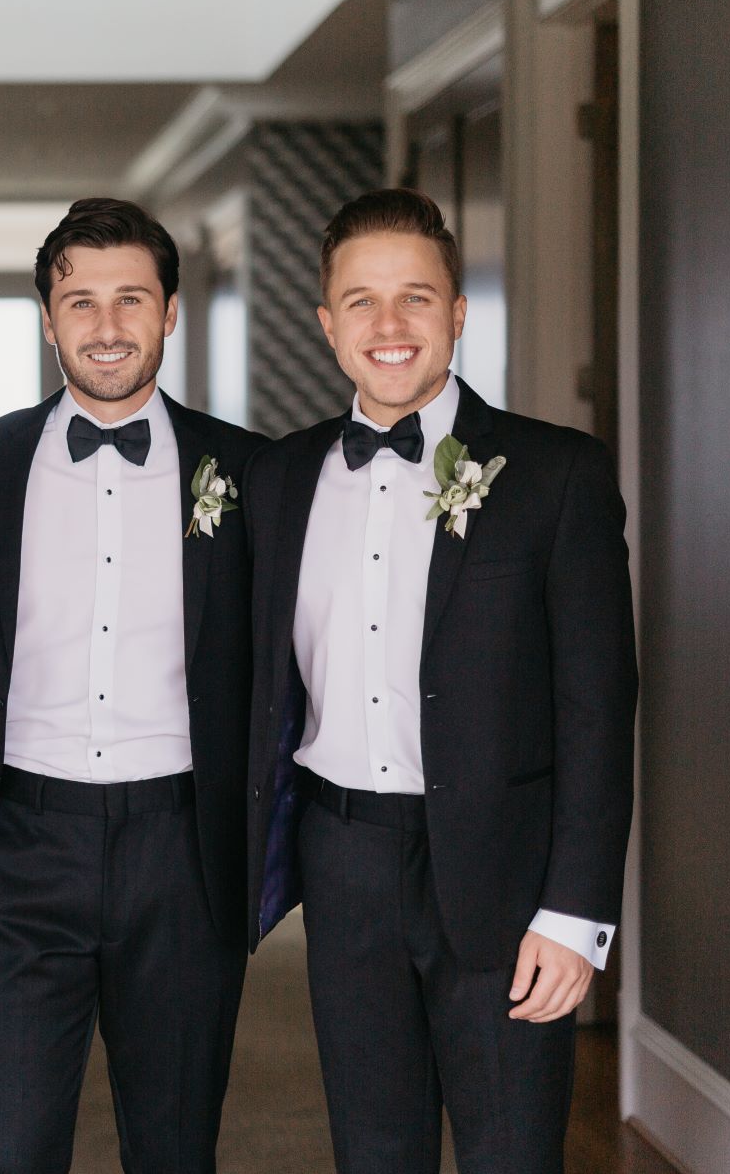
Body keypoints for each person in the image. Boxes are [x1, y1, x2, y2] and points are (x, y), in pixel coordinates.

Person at [245, 187, 637, 1173]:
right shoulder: (276, 481)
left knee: (510, 1151)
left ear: (455, 313)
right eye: (360, 300)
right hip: (340, 859)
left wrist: (574, 910)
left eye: (414, 297)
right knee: (372, 1150)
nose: (388, 325)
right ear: (325, 322)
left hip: (504, 876)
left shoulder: (555, 476)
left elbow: (598, 708)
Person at [0, 198, 264, 1172]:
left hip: (182, 850)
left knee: (173, 1144)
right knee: (13, 1146)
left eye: (130, 299)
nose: (106, 327)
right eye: (80, 301)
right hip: (19, 841)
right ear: (47, 315)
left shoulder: (244, 470)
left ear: (170, 311)